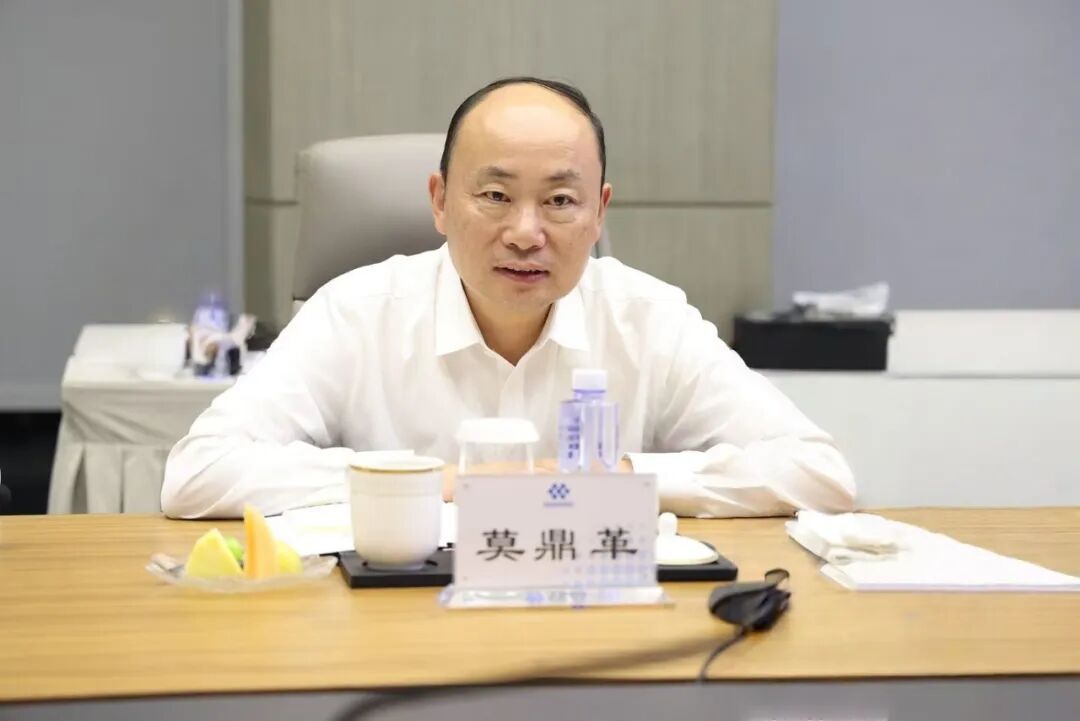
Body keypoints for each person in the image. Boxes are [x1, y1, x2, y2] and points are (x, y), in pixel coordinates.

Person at [162, 77, 855, 519]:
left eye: (560, 201)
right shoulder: (356, 312)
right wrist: (438, 482)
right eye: (494, 195)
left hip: (594, 631)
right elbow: (199, 471)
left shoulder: (649, 319)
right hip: (395, 631)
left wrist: (616, 477)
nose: (525, 233)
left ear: (599, 212)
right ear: (439, 201)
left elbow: (818, 472)